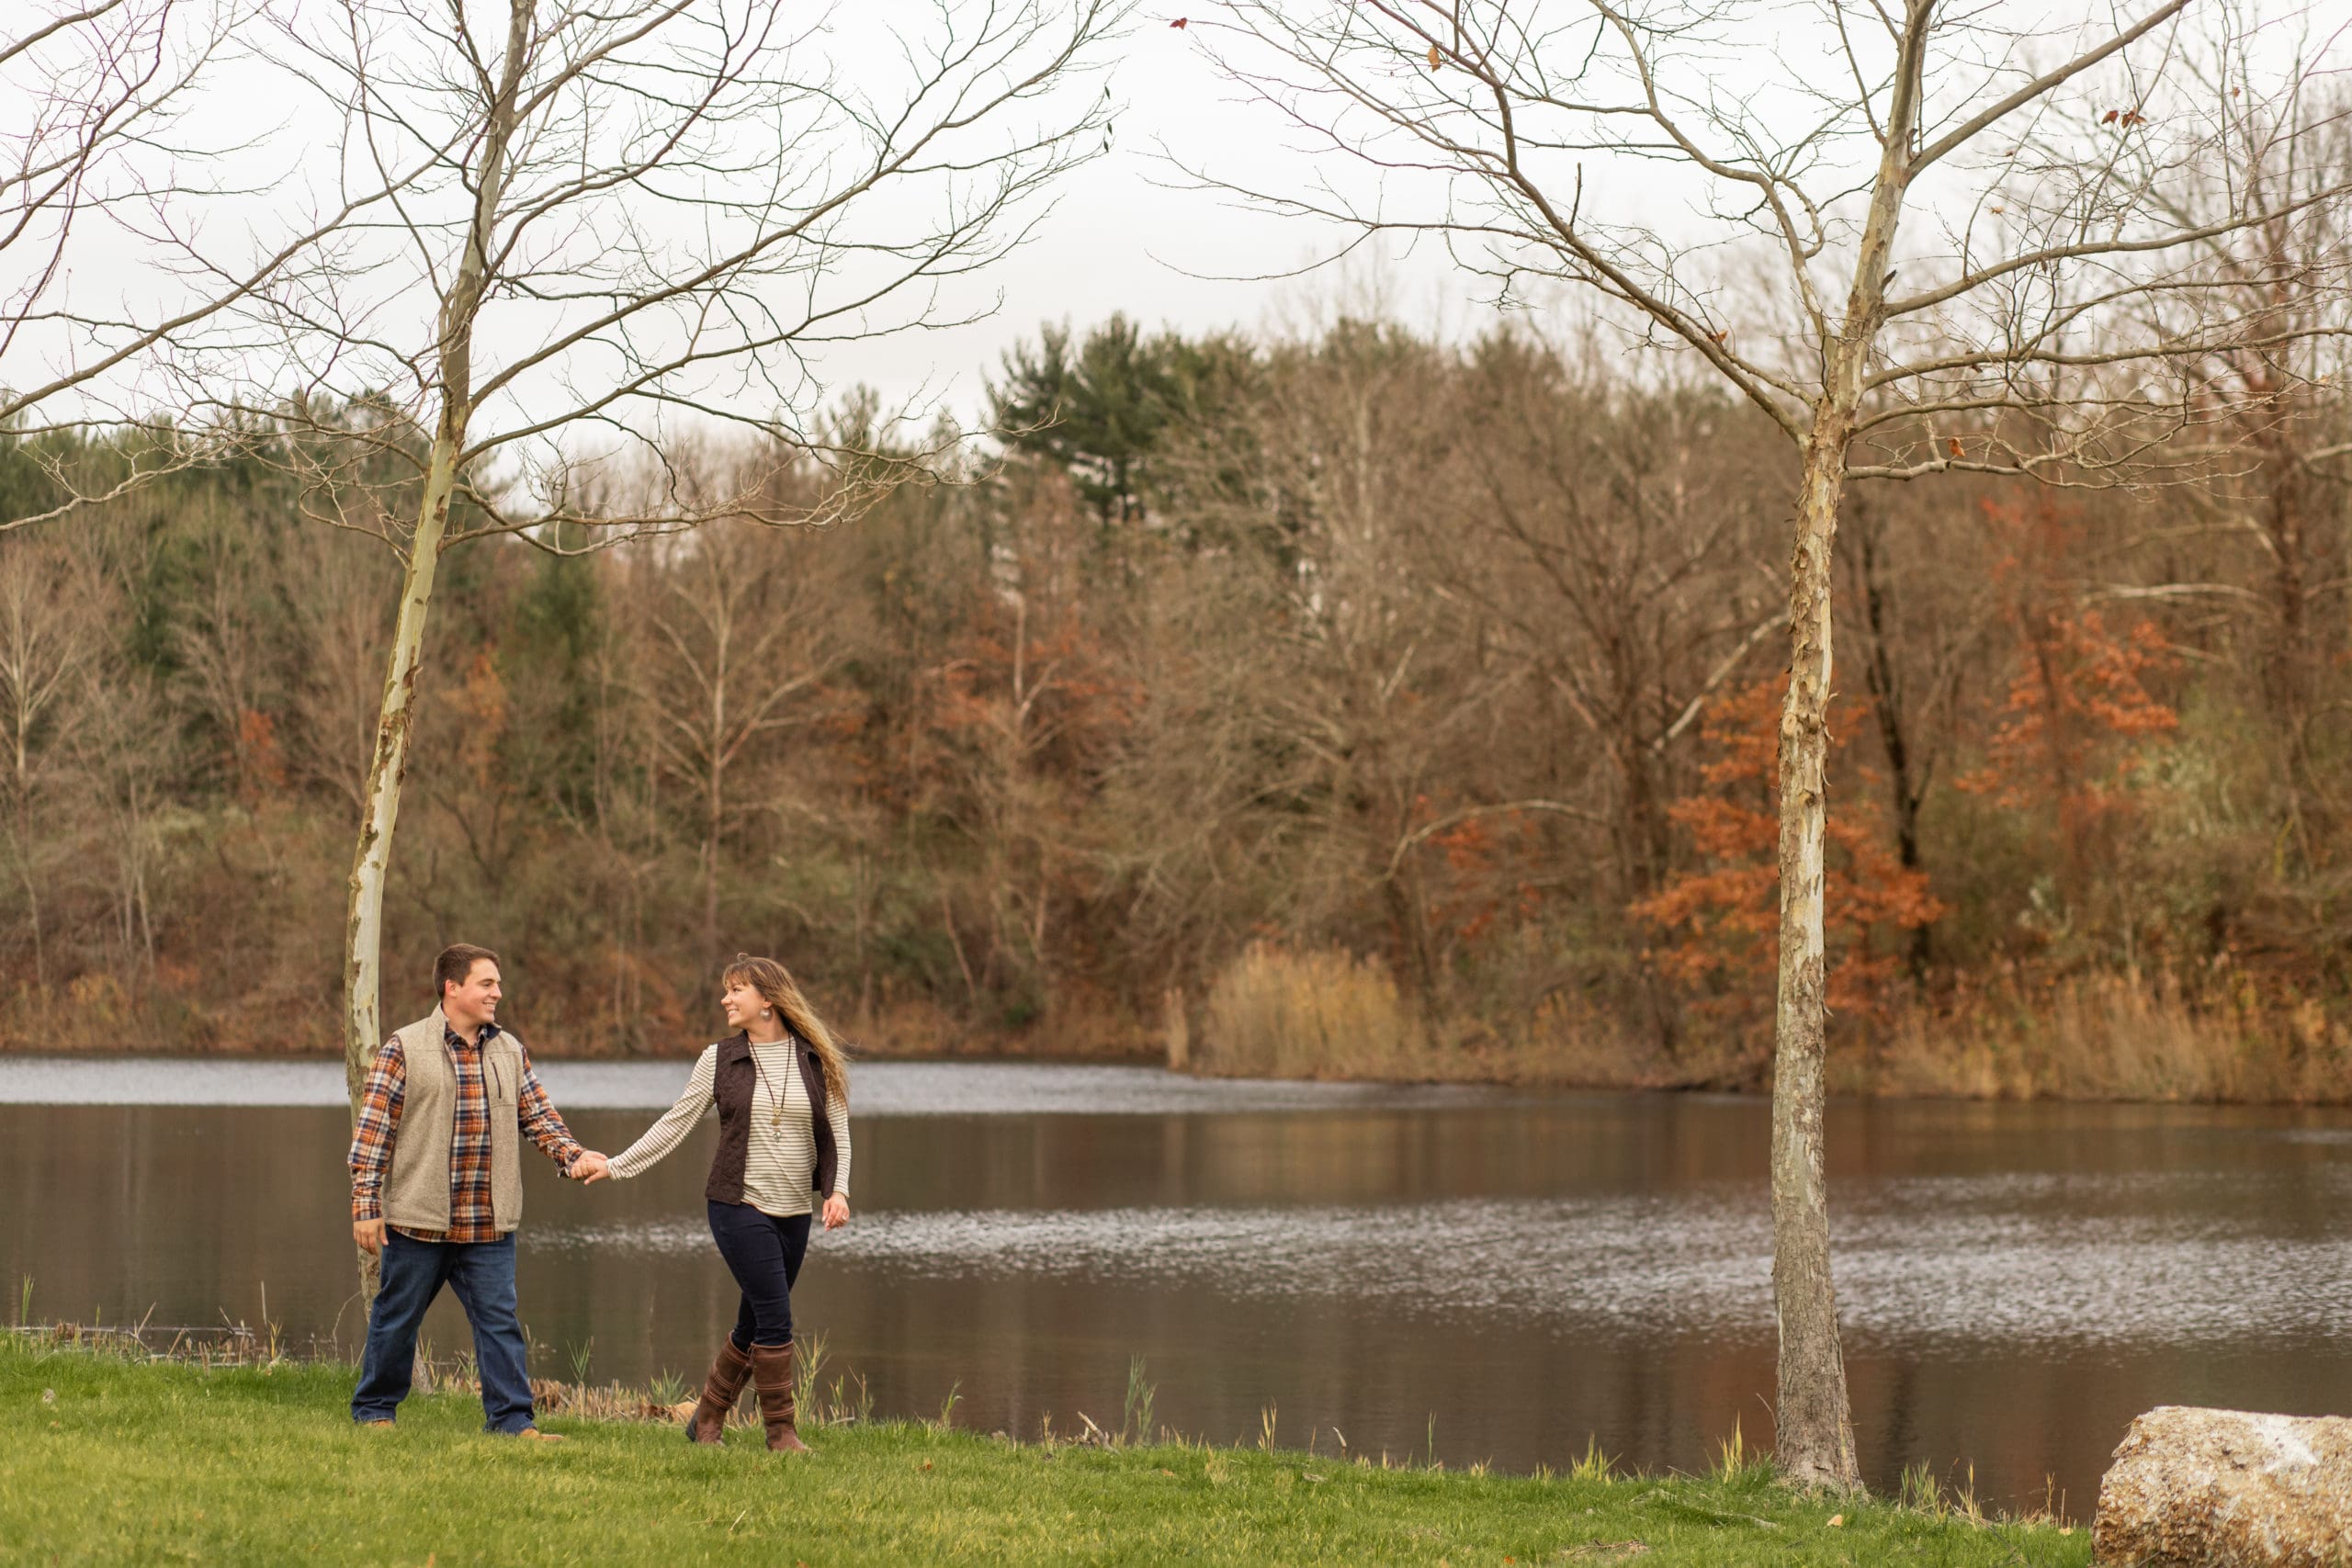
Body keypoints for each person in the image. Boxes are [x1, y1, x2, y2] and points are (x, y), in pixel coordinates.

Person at [587, 953, 852, 1452]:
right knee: (776, 1318)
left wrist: (838, 1191)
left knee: (753, 1321)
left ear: (767, 1000)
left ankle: (706, 1419)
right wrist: (617, 1164)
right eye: (726, 991)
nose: (725, 999)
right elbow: (676, 1121)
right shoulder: (719, 1058)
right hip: (736, 1205)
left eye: (736, 991)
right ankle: (781, 1434)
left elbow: (837, 1132)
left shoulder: (815, 1057)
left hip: (794, 1210)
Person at [348, 942, 608, 1436]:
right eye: (487, 984)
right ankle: (375, 1411)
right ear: (452, 987)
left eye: (498, 984)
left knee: (499, 1323)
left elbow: (539, 1117)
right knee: (396, 1319)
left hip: (488, 1224)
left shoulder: (509, 1051)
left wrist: (573, 1155)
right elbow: (373, 1132)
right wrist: (365, 1205)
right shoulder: (403, 1048)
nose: (497, 993)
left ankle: (513, 1423)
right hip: (418, 1220)